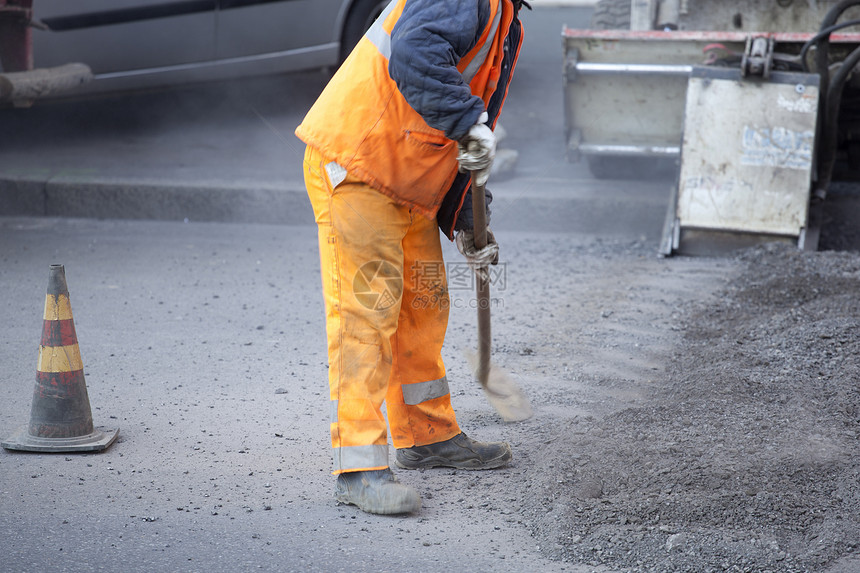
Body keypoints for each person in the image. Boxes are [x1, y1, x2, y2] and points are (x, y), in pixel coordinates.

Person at [295, 0, 527, 515]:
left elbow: (463, 140)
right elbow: (416, 53)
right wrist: (470, 123)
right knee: (368, 315)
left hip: (405, 175)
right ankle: (357, 467)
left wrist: (468, 220)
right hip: (360, 162)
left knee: (423, 309)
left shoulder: (504, 15)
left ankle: (426, 437)